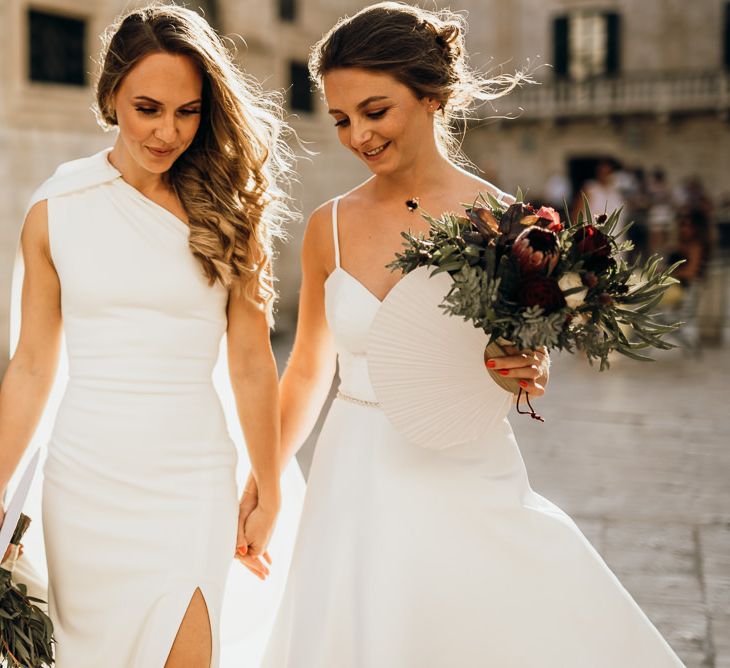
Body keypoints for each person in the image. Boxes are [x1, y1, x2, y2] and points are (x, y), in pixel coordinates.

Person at [260, 3, 685, 666]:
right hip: (352, 472)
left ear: (432, 97)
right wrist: (266, 482)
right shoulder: (328, 226)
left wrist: (523, 368)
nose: (357, 136)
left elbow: (524, 358)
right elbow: (310, 366)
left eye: (375, 111)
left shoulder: (508, 222)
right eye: (341, 119)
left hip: (459, 464)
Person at [0, 5, 293, 666]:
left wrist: (267, 488)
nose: (168, 131)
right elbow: (31, 366)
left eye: (187, 111)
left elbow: (250, 363)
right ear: (110, 97)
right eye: (148, 107)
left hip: (191, 477)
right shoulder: (55, 208)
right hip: (85, 483)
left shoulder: (229, 209)